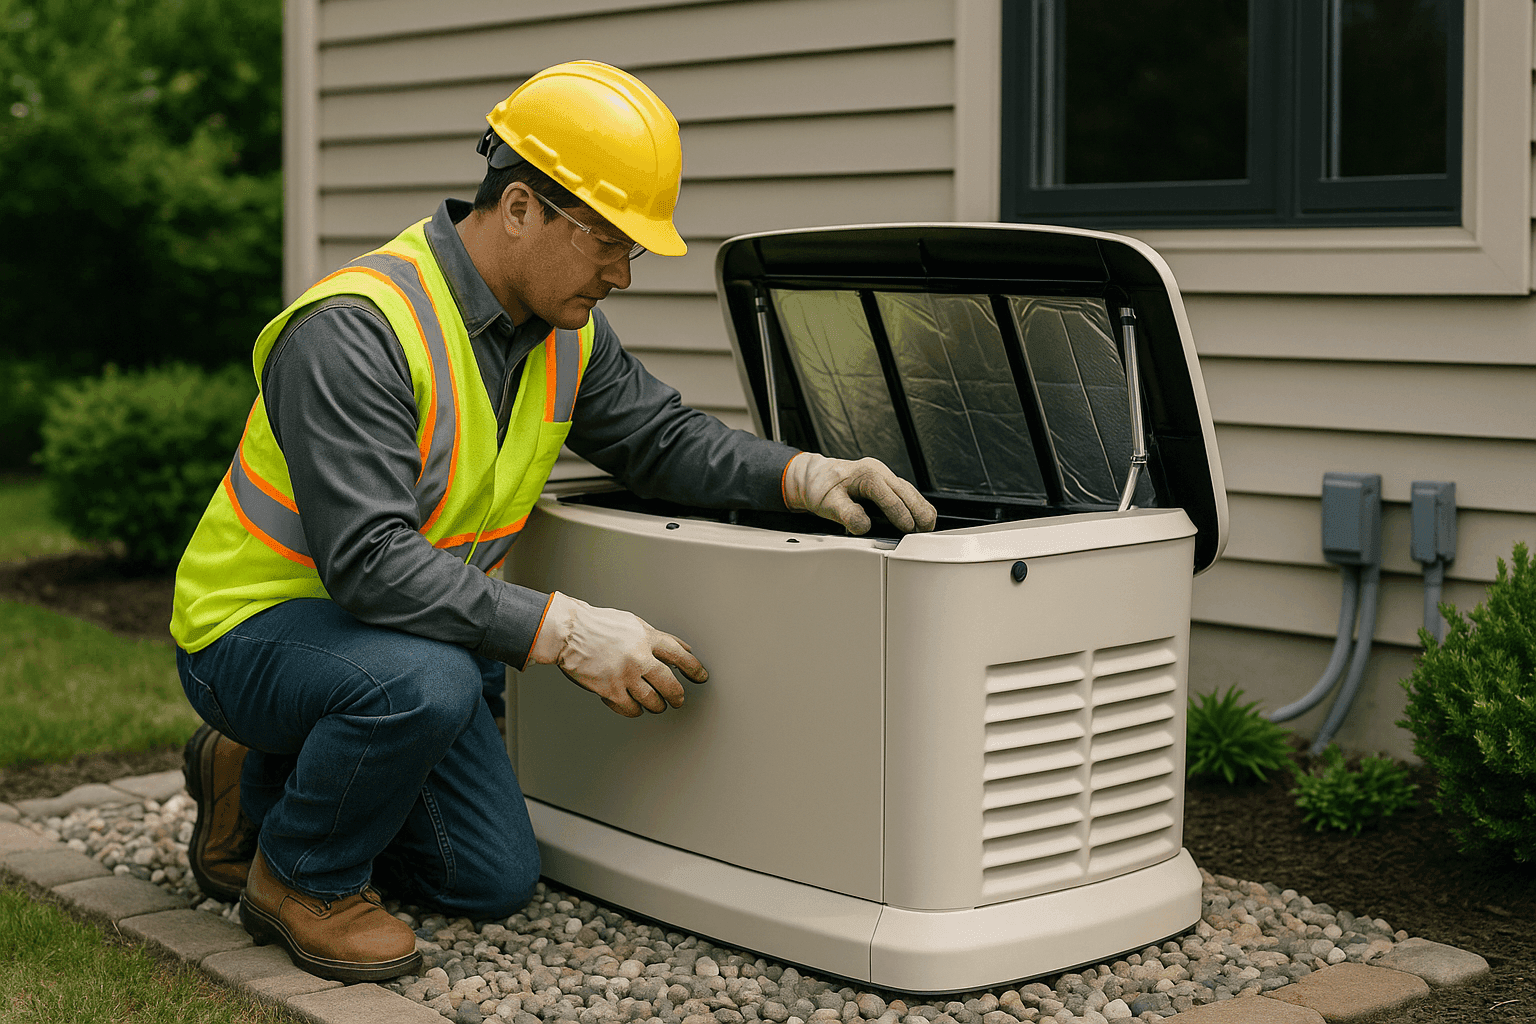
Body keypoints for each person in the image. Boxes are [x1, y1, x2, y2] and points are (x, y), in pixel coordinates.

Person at [169, 60, 936, 984]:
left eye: (632, 250)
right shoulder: (354, 331)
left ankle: (257, 779)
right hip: (255, 631)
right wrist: (564, 633)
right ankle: (300, 878)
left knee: (490, 877)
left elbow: (660, 438)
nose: (621, 274)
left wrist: (805, 475)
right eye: (608, 241)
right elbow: (369, 563)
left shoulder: (563, 330)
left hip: (407, 642)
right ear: (522, 206)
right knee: (425, 684)